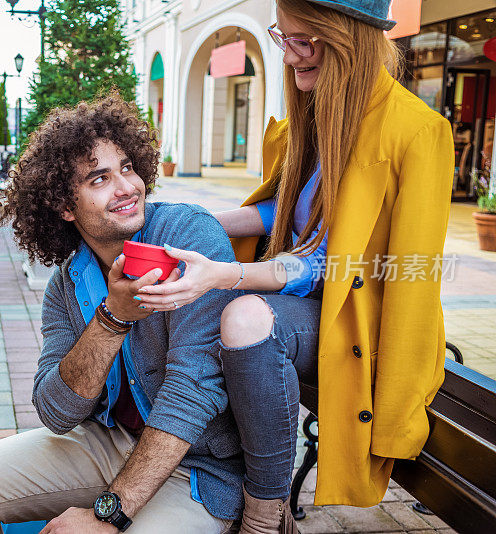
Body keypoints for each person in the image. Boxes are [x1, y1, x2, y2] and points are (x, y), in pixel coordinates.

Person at [133, 0, 454, 531]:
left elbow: (388, 274)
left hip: (356, 325)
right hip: (305, 310)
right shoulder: (316, 112)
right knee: (213, 304)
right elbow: (284, 209)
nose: (291, 53)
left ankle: (264, 509)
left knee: (243, 315)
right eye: (284, 36)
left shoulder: (418, 132)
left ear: (350, 37)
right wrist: (188, 223)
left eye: (307, 40)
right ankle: (193, 460)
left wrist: (397, 417)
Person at [0, 93, 248, 533]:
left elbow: (193, 391)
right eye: (99, 178)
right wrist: (112, 318)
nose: (127, 187)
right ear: (64, 206)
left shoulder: (187, 235)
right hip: (110, 443)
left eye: (127, 168)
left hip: (196, 466)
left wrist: (107, 516)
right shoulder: (67, 283)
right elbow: (57, 413)